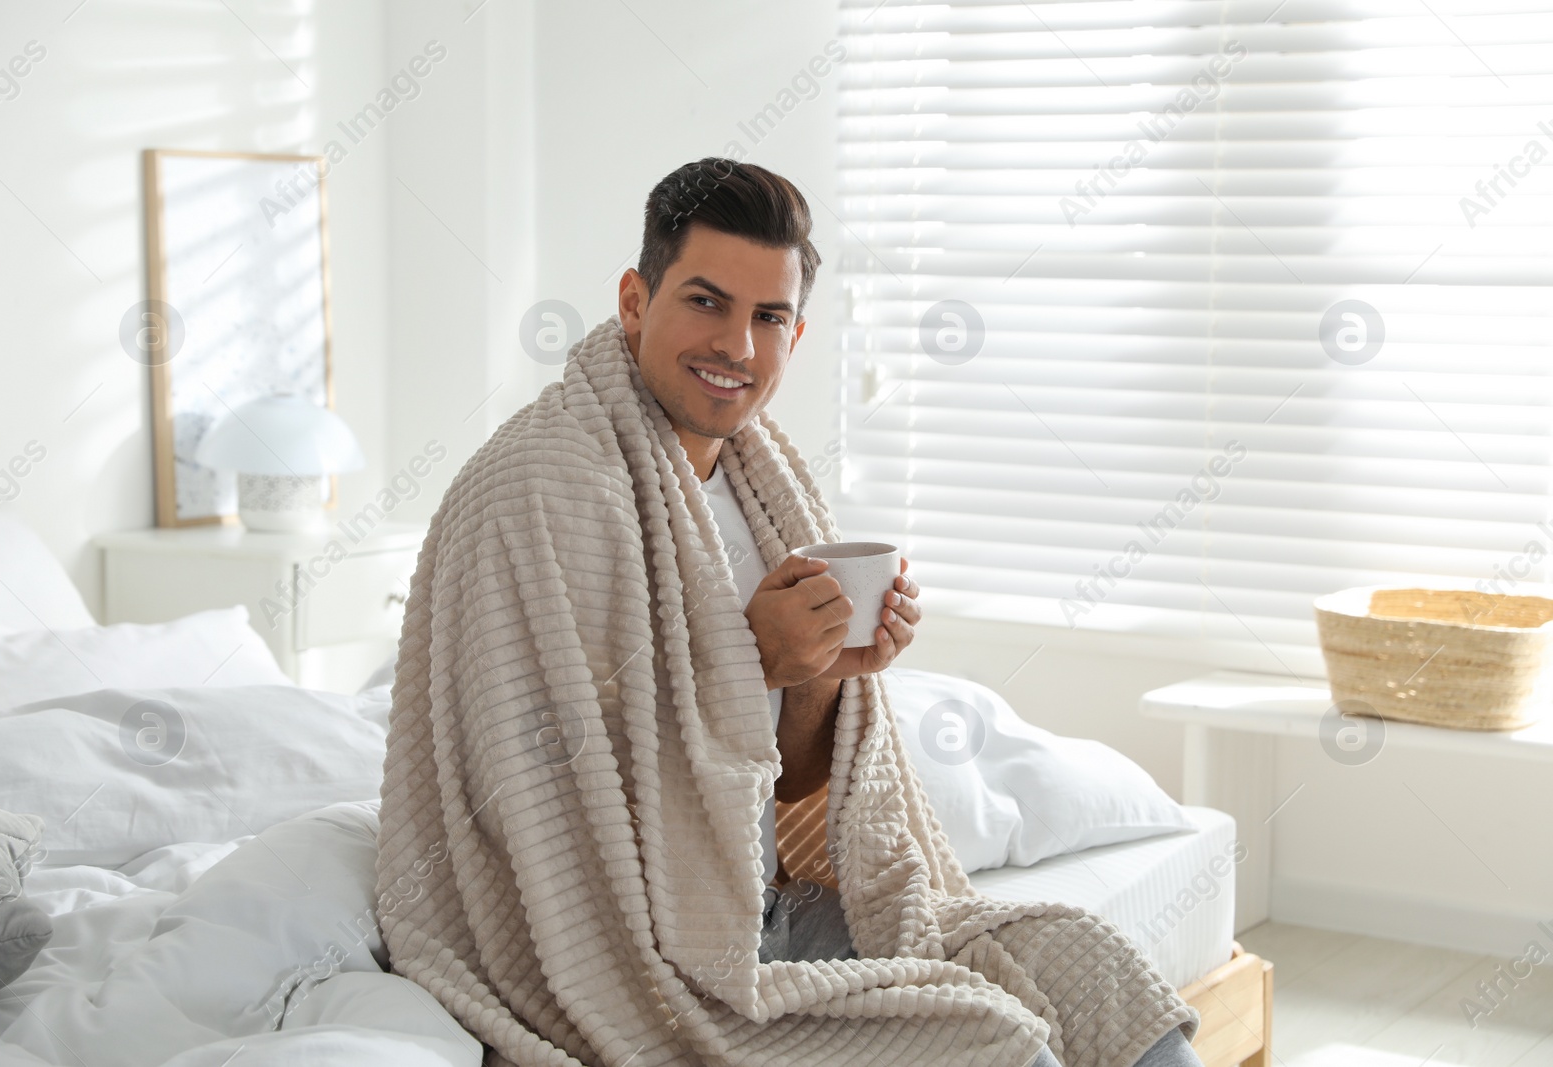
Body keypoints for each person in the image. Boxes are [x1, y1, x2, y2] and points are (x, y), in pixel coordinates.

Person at [376, 158, 1204, 1067]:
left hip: (764, 901)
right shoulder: (536, 491)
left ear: (795, 334)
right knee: (992, 1042)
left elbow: (791, 785)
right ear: (632, 301)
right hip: (648, 950)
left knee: (1091, 969)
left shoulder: (767, 483)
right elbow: (548, 788)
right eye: (704, 300)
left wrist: (819, 677)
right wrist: (751, 663)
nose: (735, 344)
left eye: (767, 317)